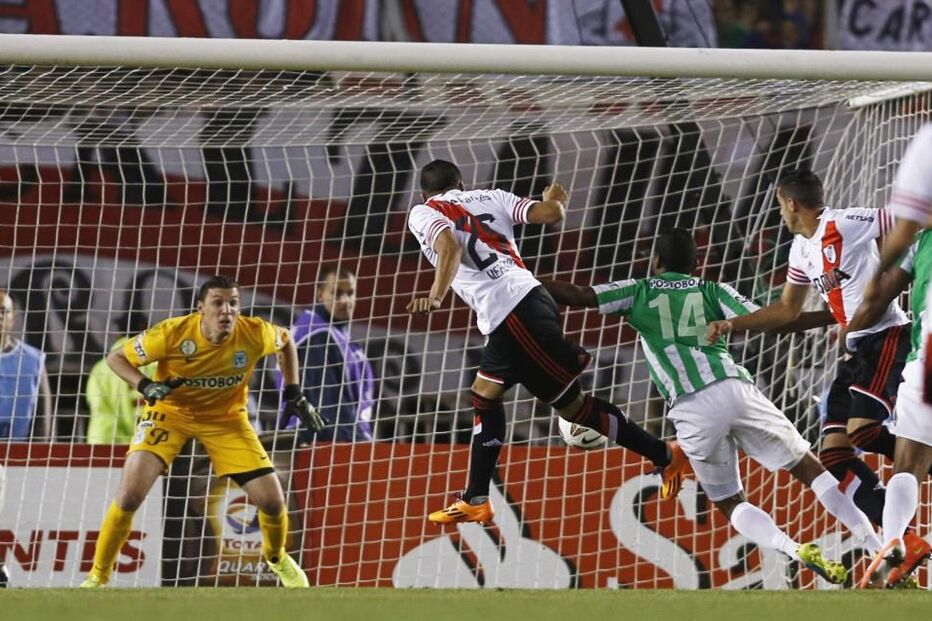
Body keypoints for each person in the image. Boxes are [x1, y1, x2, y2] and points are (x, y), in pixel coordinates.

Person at [543, 228, 881, 584]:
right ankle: (877, 549)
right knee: (811, 471)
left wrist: (522, 280)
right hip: (736, 389)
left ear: (655, 261)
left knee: (730, 502)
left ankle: (794, 549)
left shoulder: (638, 289)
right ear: (696, 263)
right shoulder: (712, 290)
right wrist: (838, 315)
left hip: (692, 407)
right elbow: (780, 320)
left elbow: (578, 295)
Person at [406, 159, 686, 525]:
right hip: (526, 303)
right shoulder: (492, 195)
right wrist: (554, 199)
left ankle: (477, 497)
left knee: (497, 399)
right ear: (462, 182)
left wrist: (436, 296)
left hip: (512, 311)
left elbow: (450, 248)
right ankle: (665, 454)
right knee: (558, 406)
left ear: (424, 193)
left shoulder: (423, 212)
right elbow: (550, 213)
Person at [79, 275, 325, 588]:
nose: (227, 310)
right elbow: (116, 358)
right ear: (200, 309)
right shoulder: (172, 333)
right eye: (218, 303)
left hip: (226, 420)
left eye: (233, 303)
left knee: (274, 502)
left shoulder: (254, 332)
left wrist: (293, 392)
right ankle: (98, 576)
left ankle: (276, 557)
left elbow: (286, 341)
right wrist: (144, 384)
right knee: (129, 496)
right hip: (169, 415)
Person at [707, 170, 909, 529]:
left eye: (780, 207)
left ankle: (919, 460)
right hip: (854, 349)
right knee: (834, 454)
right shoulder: (800, 249)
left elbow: (907, 218)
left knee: (862, 431)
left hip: (886, 335)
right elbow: (787, 310)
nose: (781, 216)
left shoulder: (844, 223)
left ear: (790, 203)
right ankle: (903, 539)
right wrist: (734, 325)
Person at [849, 123, 932, 588]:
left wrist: (852, 326)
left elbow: (880, 295)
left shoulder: (918, 239)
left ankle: (895, 540)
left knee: (909, 462)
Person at [283, 265, 374, 442]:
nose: (345, 300)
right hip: (322, 445)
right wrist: (359, 444)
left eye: (350, 293)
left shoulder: (335, 334)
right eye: (337, 293)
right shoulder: (319, 337)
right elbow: (330, 411)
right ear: (320, 294)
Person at [85, 313, 155, 445]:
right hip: (155, 445)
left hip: (110, 445)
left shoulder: (101, 368)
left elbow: (101, 412)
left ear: (119, 332)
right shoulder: (161, 362)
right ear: (146, 329)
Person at [0, 290, 52, 440]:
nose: (0, 316)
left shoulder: (33, 360)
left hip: (19, 453)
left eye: (4, 311)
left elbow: (43, 417)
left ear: (13, 318)